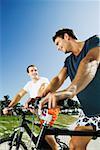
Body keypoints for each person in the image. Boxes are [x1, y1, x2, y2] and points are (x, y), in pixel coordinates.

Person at [39, 29, 100, 150]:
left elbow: (91, 61)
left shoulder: (94, 42)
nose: (57, 48)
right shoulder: (68, 61)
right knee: (75, 145)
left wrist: (70, 90)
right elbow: (58, 79)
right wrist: (40, 96)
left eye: (58, 43)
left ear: (66, 36)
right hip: (90, 113)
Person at [3, 64, 59, 150]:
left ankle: (57, 148)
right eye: (32, 71)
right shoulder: (29, 84)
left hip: (49, 109)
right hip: (39, 111)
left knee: (46, 134)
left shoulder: (43, 79)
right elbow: (19, 94)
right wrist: (9, 106)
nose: (34, 72)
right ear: (28, 74)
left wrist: (32, 99)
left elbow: (44, 89)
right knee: (41, 137)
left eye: (35, 70)